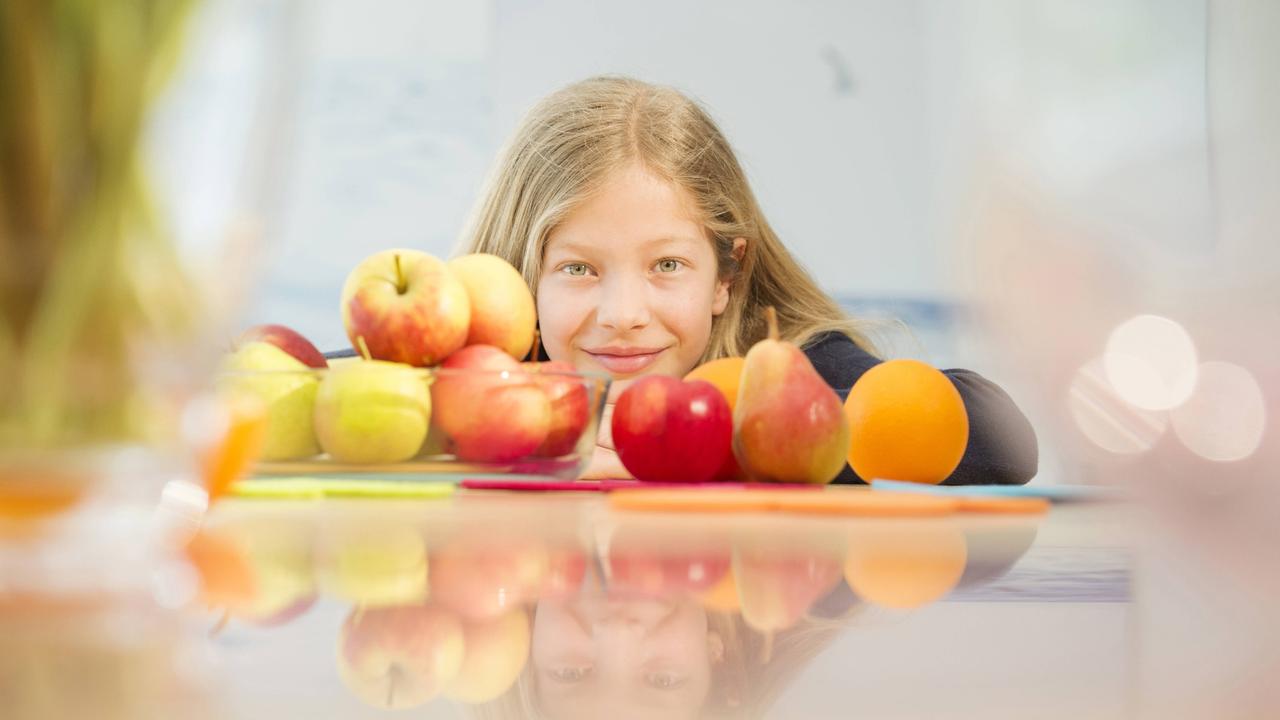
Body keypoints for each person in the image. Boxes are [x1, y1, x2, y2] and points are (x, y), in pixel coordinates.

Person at [456, 75, 1037, 484]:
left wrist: (703, 439)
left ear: (726, 277)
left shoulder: (784, 361)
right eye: (578, 269)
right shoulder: (491, 372)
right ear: (520, 277)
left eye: (667, 265)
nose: (623, 314)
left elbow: (1003, 436)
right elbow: (369, 393)